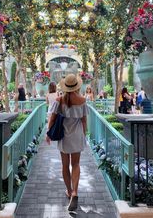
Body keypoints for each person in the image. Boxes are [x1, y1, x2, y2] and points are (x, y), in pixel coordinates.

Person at [46, 74, 88, 212]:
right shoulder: (82, 100)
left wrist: (48, 133)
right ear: (77, 86)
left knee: (65, 165)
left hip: (64, 136)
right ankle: (75, 192)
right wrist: (84, 134)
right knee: (75, 164)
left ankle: (69, 192)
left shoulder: (59, 100)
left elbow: (52, 118)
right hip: (77, 135)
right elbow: (84, 121)